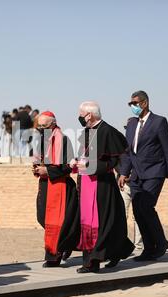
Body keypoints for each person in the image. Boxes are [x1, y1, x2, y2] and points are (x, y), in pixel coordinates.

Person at [72, 101, 135, 273]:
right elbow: (85, 155)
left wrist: (118, 173)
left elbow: (115, 159)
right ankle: (118, 251)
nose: (78, 117)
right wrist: (78, 163)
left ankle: (92, 262)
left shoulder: (108, 131)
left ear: (89, 115)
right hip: (86, 183)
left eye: (80, 114)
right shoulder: (88, 131)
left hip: (101, 185)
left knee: (101, 223)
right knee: (92, 222)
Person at [119, 90, 168, 261]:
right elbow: (129, 152)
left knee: (145, 206)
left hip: (155, 172)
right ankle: (149, 248)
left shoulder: (159, 122)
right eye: (130, 104)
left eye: (135, 104)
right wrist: (124, 172)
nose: (132, 107)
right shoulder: (131, 124)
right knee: (138, 211)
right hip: (136, 175)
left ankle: (160, 243)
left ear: (144, 103)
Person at [32, 111, 80, 267]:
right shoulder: (41, 140)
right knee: (42, 218)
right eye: (39, 126)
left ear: (53, 124)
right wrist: (37, 169)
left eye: (43, 126)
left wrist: (48, 171)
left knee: (58, 222)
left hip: (61, 186)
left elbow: (69, 167)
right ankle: (64, 245)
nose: (40, 128)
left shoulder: (64, 140)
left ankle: (54, 256)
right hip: (45, 185)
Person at [119, 118, 143, 250]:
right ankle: (122, 244)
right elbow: (117, 163)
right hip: (123, 185)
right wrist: (123, 175)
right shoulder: (121, 146)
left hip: (138, 184)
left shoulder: (142, 146)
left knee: (139, 214)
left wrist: (132, 176)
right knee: (122, 213)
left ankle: (139, 244)